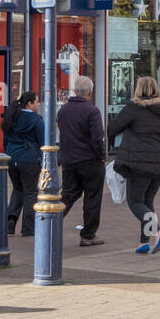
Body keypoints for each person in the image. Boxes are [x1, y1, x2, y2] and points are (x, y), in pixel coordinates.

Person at [108, 76, 160, 253]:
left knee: (135, 201)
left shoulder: (133, 108)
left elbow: (113, 128)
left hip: (139, 162)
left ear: (137, 89)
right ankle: (144, 243)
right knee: (147, 201)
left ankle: (158, 230)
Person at [58, 75, 106, 247]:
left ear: (74, 91)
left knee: (68, 194)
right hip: (89, 160)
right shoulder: (92, 111)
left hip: (69, 160)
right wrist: (101, 157)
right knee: (92, 197)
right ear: (90, 92)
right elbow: (97, 137)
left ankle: (50, 222)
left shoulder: (63, 110)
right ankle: (88, 234)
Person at [0, 91, 42, 237]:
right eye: (37, 102)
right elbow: (42, 143)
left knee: (18, 189)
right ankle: (28, 228)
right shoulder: (37, 120)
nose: (38, 104)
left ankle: (10, 220)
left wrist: (8, 153)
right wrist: (43, 161)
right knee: (31, 193)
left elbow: (5, 141)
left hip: (12, 158)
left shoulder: (12, 118)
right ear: (30, 104)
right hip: (30, 160)